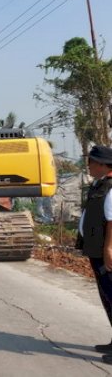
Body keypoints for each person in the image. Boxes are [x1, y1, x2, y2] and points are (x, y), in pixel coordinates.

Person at [78, 145, 112, 363]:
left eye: (90, 162)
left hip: (106, 252)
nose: (88, 166)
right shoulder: (100, 185)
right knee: (107, 297)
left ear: (101, 164)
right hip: (96, 250)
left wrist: (109, 249)